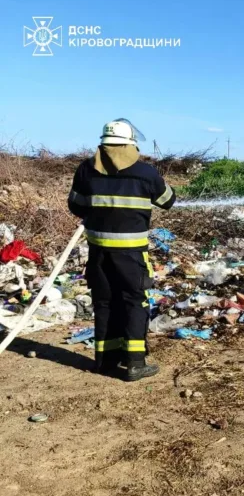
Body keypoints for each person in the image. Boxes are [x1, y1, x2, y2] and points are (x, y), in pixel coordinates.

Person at [67, 120, 175, 381]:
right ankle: (135, 363)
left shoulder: (86, 170)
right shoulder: (145, 172)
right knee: (134, 302)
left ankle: (105, 361)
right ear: (130, 145)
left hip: (98, 252)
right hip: (131, 254)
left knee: (105, 302)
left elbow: (76, 205)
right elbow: (167, 200)